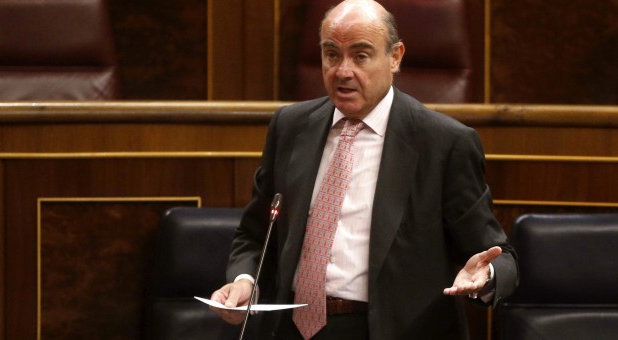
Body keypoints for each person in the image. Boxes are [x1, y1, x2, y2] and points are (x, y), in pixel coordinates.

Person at [210, 0, 518, 339]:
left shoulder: (444, 144)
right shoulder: (290, 127)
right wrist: (243, 282)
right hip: (290, 327)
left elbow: (501, 256)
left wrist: (485, 276)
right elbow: (255, 234)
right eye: (331, 54)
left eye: (360, 55)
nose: (342, 71)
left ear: (395, 56)